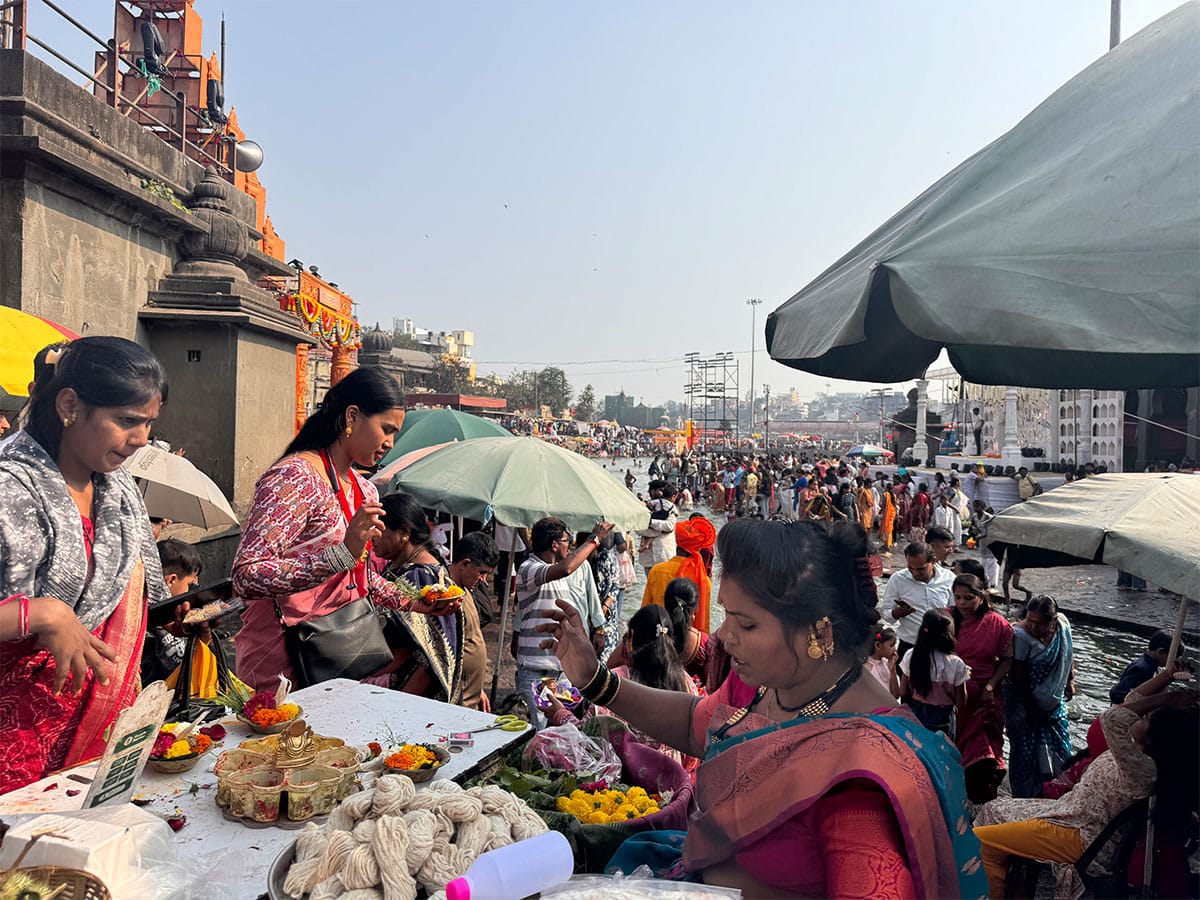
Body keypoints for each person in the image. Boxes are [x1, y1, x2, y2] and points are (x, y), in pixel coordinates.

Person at [536, 519, 987, 897]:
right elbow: (695, 724)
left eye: (746, 623)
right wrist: (595, 679)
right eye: (727, 615)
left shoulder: (863, 779)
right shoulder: (766, 683)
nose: (724, 636)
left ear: (819, 633)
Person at [0, 337, 171, 792]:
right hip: (14, 737)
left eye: (149, 423)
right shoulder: (10, 488)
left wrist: (166, 612)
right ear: (70, 406)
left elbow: (120, 596)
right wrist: (42, 614)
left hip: (97, 729)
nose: (142, 440)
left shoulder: (117, 490)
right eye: (127, 421)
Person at [232, 368, 450, 691]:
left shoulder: (365, 491)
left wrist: (415, 601)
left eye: (395, 434)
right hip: (281, 660)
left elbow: (360, 579)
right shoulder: (295, 479)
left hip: (339, 657)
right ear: (352, 417)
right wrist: (339, 556)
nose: (390, 443)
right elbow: (245, 575)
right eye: (386, 429)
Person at [974, 670, 1199, 899]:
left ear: (1154, 737)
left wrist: (1167, 699)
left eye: (1146, 720)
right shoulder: (1133, 753)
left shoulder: (1141, 768)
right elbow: (1131, 701)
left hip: (1082, 837)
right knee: (993, 808)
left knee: (983, 842)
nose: (1139, 718)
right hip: (1069, 814)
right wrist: (1167, 676)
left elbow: (1113, 719)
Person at [555, 604, 701, 773]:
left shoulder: (618, 682)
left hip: (625, 783)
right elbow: (697, 746)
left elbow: (587, 738)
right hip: (674, 779)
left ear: (631, 639)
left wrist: (560, 714)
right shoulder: (687, 684)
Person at [513, 516, 613, 726]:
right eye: (567, 540)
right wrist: (594, 539)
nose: (571, 545)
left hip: (561, 669)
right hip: (537, 670)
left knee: (564, 727)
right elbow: (566, 568)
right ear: (554, 544)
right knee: (542, 730)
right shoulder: (530, 568)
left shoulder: (557, 572)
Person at [371, 493, 464, 703]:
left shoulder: (424, 579)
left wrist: (401, 705)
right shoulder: (396, 568)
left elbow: (433, 660)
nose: (372, 537)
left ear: (404, 532)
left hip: (404, 698)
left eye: (379, 530)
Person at [950, 574, 1014, 803]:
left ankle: (982, 798)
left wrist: (990, 685)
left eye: (968, 598)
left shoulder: (997, 623)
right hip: (954, 695)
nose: (962, 603)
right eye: (958, 597)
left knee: (985, 750)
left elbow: (1007, 659)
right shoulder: (947, 619)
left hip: (985, 695)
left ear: (981, 596)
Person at [1006, 594, 1075, 798]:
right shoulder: (1020, 635)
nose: (1034, 627)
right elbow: (1017, 676)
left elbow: (1068, 652)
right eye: (1030, 621)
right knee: (1025, 756)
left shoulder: (1062, 626)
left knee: (1061, 751)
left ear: (1052, 621)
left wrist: (1070, 680)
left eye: (1040, 624)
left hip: (1054, 705)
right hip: (1024, 707)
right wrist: (1032, 709)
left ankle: (1058, 794)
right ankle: (1026, 798)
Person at [446, 531, 499, 711]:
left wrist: (478, 688)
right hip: (457, 701)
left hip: (471, 695)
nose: (484, 580)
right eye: (481, 573)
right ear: (465, 564)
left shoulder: (466, 589)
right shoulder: (445, 597)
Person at [641, 515, 717, 633]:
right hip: (687, 638)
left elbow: (645, 610)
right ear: (698, 549)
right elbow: (704, 621)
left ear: (677, 543)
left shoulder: (657, 571)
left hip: (658, 635)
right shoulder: (703, 580)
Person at [898, 609, 969, 735]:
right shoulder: (956, 664)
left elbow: (903, 691)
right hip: (943, 716)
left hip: (916, 712)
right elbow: (960, 702)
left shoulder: (911, 655)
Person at [883, 541, 955, 659]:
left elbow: (955, 611)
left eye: (921, 569)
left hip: (941, 645)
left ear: (933, 561)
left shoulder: (949, 578)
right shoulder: (898, 579)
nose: (915, 573)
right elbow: (885, 612)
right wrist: (895, 613)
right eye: (911, 568)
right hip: (910, 645)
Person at [1109, 629, 1173, 704]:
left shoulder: (1149, 666)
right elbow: (1116, 694)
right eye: (1172, 658)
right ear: (1161, 652)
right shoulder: (1142, 669)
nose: (1172, 662)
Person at [636, 481, 677, 570]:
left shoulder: (667, 507)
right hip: (648, 557)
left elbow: (669, 526)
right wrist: (659, 531)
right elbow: (638, 529)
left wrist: (650, 523)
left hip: (665, 554)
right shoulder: (643, 508)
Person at [865, 625, 900, 699]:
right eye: (891, 646)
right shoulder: (868, 669)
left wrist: (893, 670)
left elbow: (896, 695)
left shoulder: (886, 664)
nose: (895, 650)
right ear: (878, 645)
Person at [969, 500, 998, 587]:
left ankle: (993, 583)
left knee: (992, 563)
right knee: (983, 562)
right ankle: (985, 581)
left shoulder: (988, 517)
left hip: (990, 541)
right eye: (974, 506)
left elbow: (992, 531)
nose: (975, 508)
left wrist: (979, 537)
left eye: (977, 506)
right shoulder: (974, 517)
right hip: (982, 542)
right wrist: (973, 533)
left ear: (983, 507)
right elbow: (973, 527)